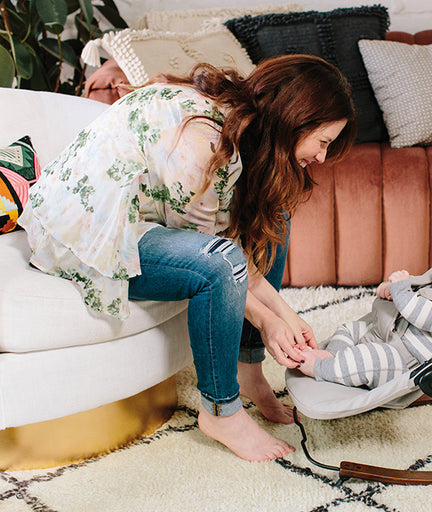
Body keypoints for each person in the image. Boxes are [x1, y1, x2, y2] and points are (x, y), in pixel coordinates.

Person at [18, 55, 357, 461]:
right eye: (323, 142)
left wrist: (288, 316)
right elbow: (217, 261)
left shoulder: (239, 126)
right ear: (294, 118)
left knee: (272, 213)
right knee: (221, 261)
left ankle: (249, 370)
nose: (322, 157)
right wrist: (268, 321)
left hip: (141, 219)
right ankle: (220, 412)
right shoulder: (204, 140)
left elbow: (230, 246)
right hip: (86, 232)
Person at [295, 237, 432, 388]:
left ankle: (323, 368)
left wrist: (401, 290)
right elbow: (405, 300)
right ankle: (335, 356)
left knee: (370, 358)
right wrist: (389, 290)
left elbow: (420, 314)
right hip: (387, 335)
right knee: (352, 328)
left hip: (402, 362)